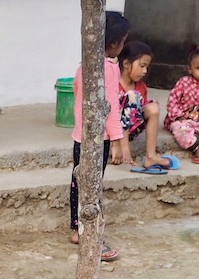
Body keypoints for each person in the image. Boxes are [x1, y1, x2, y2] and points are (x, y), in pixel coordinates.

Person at [69, 10, 130, 261]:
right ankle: (88, 232)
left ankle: (77, 227)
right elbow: (111, 107)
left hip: (80, 136)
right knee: (92, 185)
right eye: (123, 41)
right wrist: (117, 141)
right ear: (115, 43)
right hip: (99, 139)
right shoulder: (110, 69)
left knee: (78, 181)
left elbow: (76, 95)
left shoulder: (84, 66)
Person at [117, 40, 174, 173]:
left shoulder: (141, 86)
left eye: (147, 67)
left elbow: (138, 112)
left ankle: (151, 156)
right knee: (130, 98)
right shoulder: (113, 83)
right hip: (113, 129)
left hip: (132, 128)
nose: (145, 71)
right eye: (142, 66)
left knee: (152, 107)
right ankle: (126, 151)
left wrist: (147, 105)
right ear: (126, 64)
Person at [165, 46, 199, 164]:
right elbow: (172, 100)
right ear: (190, 69)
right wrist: (179, 115)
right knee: (179, 128)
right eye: (198, 68)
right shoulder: (183, 82)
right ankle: (196, 148)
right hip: (182, 119)